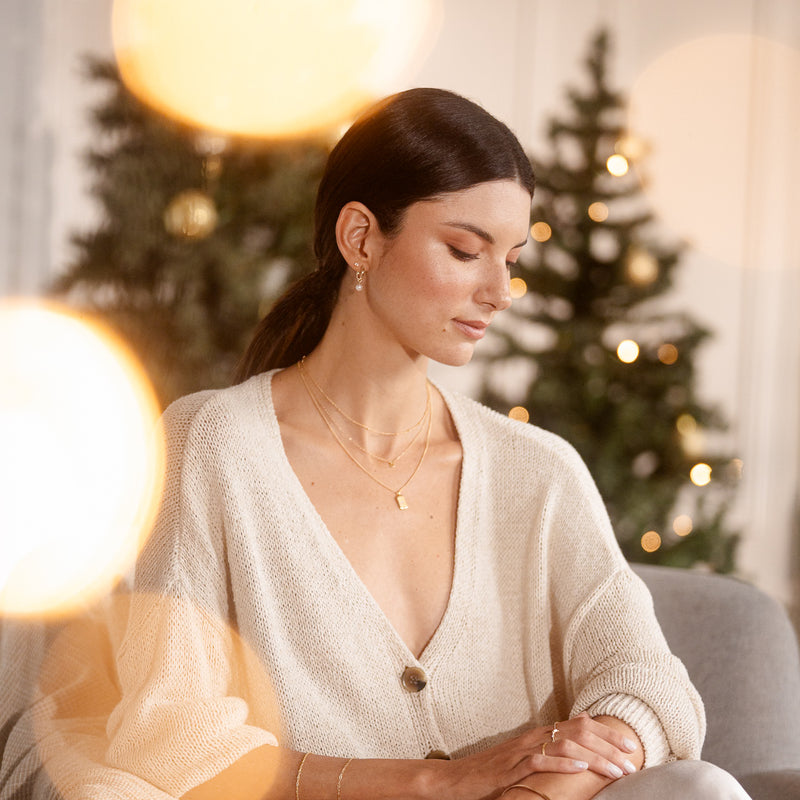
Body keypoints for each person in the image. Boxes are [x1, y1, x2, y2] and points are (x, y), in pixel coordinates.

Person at [101, 88, 750, 800]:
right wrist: (436, 782)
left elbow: (649, 685)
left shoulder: (539, 472)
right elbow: (172, 734)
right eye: (466, 251)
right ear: (360, 238)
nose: (501, 291)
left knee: (702, 788)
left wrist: (535, 792)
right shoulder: (213, 446)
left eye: (512, 258)